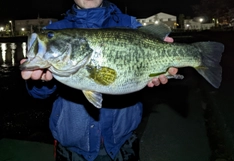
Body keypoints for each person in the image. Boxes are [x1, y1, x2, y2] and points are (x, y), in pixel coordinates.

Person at [20, 0, 178, 160]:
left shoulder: (130, 24)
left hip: (122, 145)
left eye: (50, 37)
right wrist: (41, 82)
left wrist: (159, 72)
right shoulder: (55, 29)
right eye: (49, 37)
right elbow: (37, 94)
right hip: (72, 148)